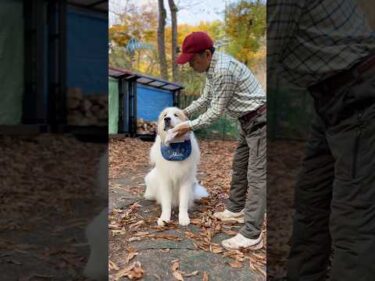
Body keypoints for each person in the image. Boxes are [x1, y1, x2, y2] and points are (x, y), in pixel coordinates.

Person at [268, 0, 375, 280]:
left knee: (354, 220)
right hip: (327, 100)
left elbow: (270, 50)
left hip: (361, 94)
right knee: (311, 203)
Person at [171, 31, 266, 250]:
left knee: (257, 176)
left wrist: (186, 126)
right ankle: (235, 209)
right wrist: (180, 113)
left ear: (206, 54)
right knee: (239, 166)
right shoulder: (212, 69)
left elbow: (214, 113)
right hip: (246, 122)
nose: (190, 65)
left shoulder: (223, 71)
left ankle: (252, 234)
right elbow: (205, 99)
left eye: (192, 60)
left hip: (260, 122)